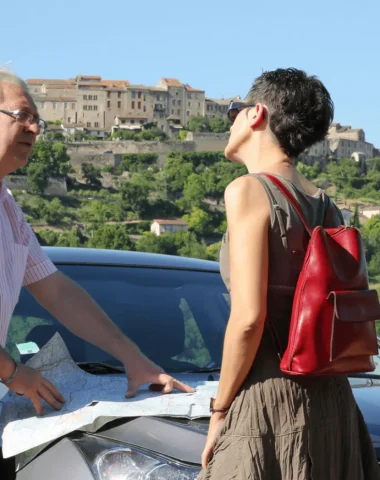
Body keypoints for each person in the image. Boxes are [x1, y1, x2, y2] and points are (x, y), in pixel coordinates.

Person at [0, 70, 195, 476]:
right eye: (21, 115)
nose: (34, 128)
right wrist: (13, 372)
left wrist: (133, 358)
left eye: (38, 119)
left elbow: (57, 292)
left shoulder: (8, 209)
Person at [198, 68, 380, 480]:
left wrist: (220, 410)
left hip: (268, 399)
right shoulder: (328, 207)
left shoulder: (247, 191)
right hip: (334, 404)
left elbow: (248, 320)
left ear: (256, 114)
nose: (230, 121)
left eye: (233, 111)